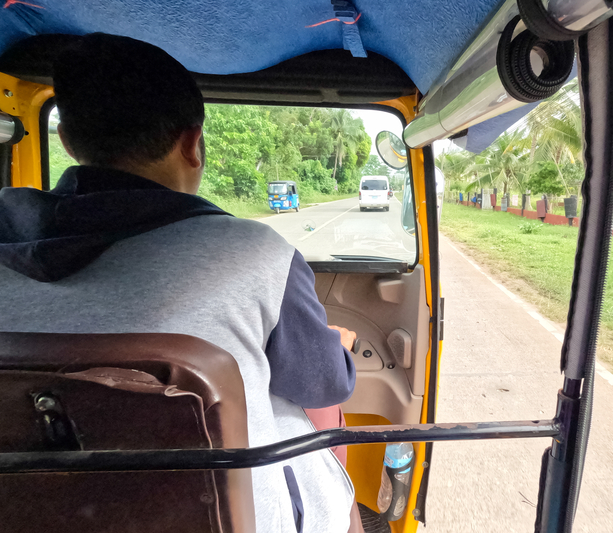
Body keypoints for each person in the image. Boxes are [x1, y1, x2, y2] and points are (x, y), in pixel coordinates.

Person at [0, 33, 359, 533]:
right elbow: (323, 385)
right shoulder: (256, 253)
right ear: (192, 144)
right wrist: (338, 350)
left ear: (66, 141)